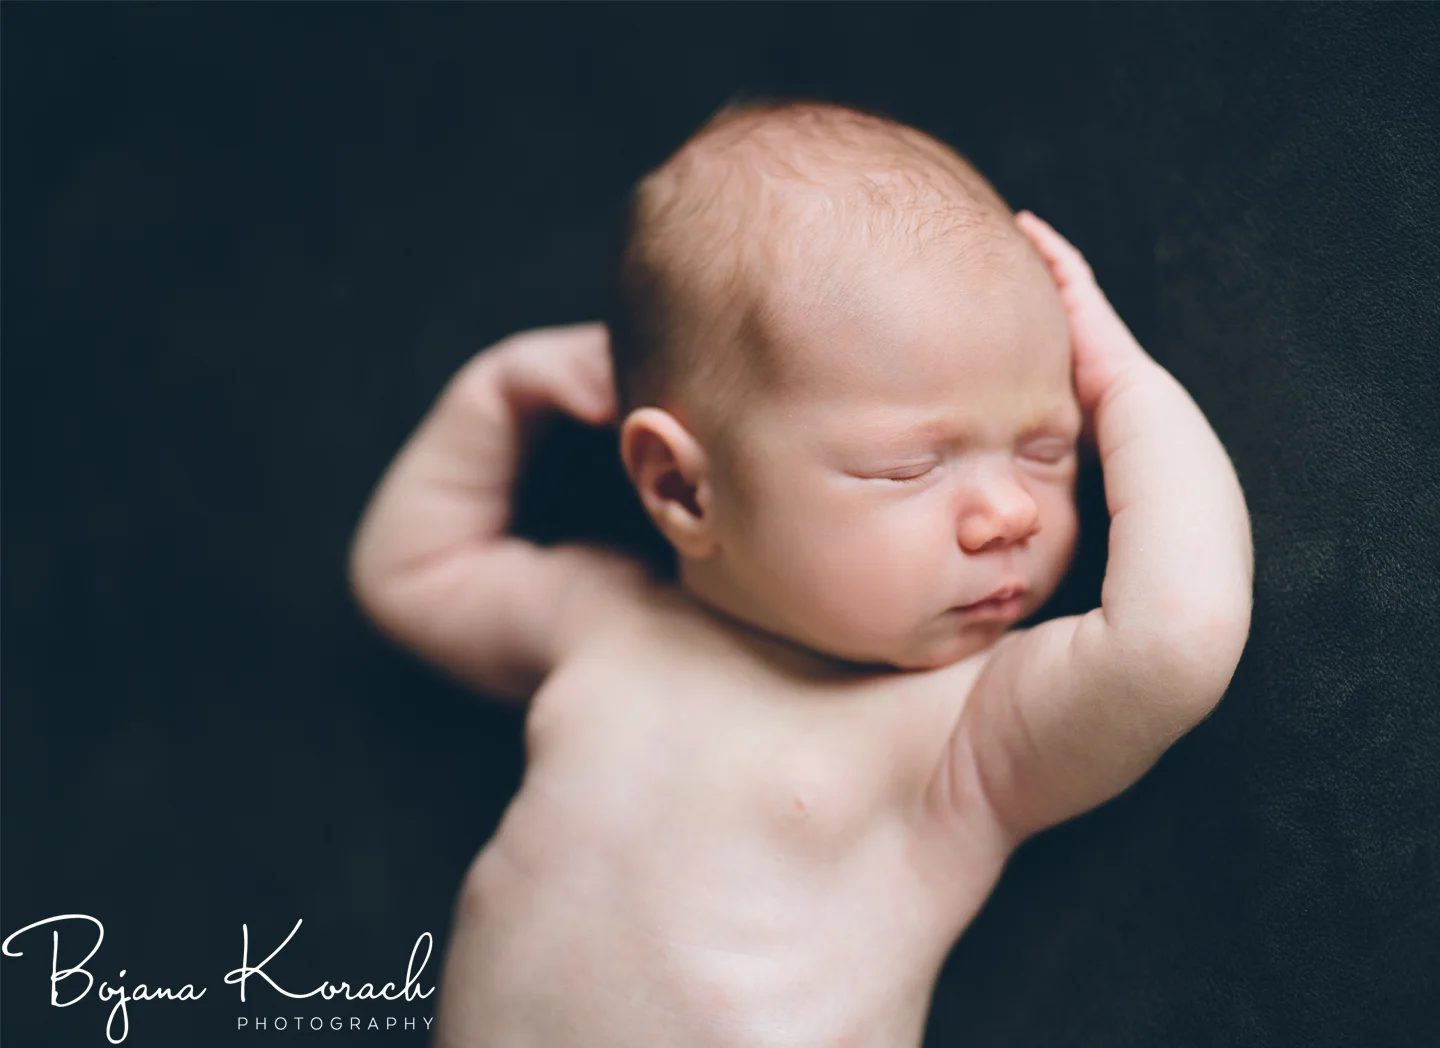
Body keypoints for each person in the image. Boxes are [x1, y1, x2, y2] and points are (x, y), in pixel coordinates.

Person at [348, 100, 1253, 1048]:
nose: (1012, 512)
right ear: (683, 489)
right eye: (910, 467)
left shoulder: (960, 732)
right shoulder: (605, 620)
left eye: (1048, 450)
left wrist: (1125, 383)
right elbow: (409, 573)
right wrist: (497, 392)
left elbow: (1176, 637)